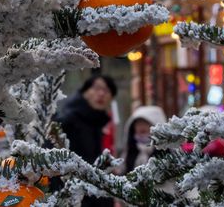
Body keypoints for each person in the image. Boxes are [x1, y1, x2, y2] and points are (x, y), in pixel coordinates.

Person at [55, 74, 117, 207]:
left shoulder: (96, 122)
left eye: (107, 91)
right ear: (85, 92)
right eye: (97, 88)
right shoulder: (68, 120)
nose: (101, 94)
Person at [120, 105, 165, 173]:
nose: (141, 126)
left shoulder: (165, 149)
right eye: (138, 123)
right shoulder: (130, 149)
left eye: (145, 123)